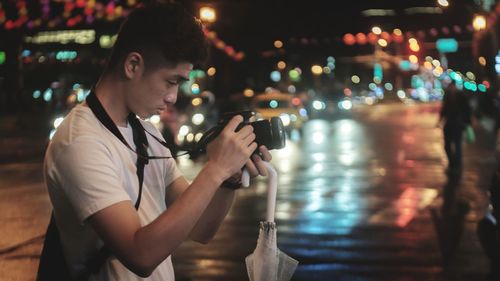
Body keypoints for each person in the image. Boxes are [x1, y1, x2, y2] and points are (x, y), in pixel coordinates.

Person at [41, 2, 271, 281]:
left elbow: (201, 229)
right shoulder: (80, 141)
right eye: (170, 81)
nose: (173, 97)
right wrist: (215, 169)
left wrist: (229, 178)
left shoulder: (147, 133)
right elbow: (140, 254)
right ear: (133, 65)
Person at [437, 82, 472, 172]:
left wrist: (467, 122)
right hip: (451, 123)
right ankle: (454, 163)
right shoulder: (449, 95)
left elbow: (466, 109)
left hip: (457, 123)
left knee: (456, 145)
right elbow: (444, 109)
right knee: (450, 145)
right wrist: (440, 121)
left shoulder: (460, 95)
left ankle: (457, 165)